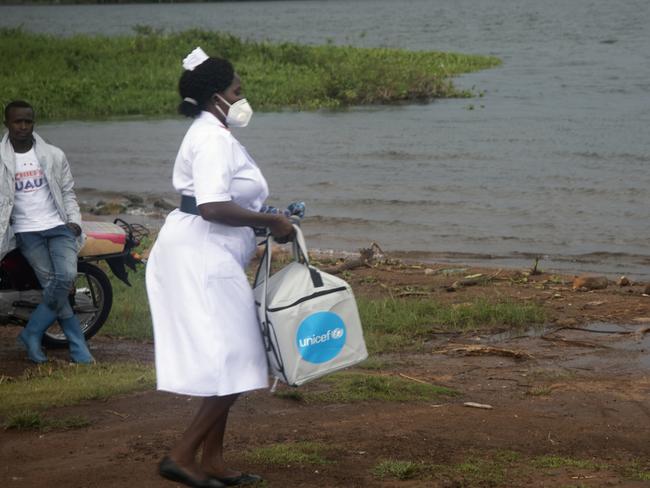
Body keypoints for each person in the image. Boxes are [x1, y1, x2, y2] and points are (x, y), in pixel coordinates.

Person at [145, 48, 294, 488]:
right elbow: (210, 206)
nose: (242, 96)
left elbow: (224, 198)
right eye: (236, 90)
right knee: (239, 357)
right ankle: (180, 455)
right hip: (201, 255)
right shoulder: (211, 138)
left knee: (228, 360)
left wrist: (261, 215)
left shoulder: (214, 132)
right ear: (217, 96)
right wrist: (271, 221)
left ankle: (212, 461)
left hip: (209, 253)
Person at [0, 100, 94, 364]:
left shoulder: (54, 155)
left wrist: (74, 220)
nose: (22, 126)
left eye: (27, 121)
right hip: (26, 232)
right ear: (7, 123)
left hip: (58, 227)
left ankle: (32, 332)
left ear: (34, 123)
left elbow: (67, 192)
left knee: (65, 277)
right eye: (17, 121)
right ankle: (78, 346)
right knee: (53, 283)